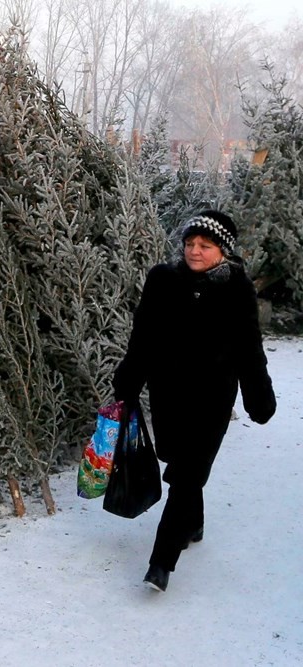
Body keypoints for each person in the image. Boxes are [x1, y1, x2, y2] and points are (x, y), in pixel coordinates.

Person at [113, 209, 276, 592]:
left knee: (187, 474)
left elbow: (249, 346)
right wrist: (129, 380)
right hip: (168, 393)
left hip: (213, 396)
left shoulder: (236, 287)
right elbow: (144, 338)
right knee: (177, 459)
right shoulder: (163, 281)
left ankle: (161, 562)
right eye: (189, 244)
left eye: (204, 245)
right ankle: (194, 522)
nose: (194, 251)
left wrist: (258, 394)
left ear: (223, 250)